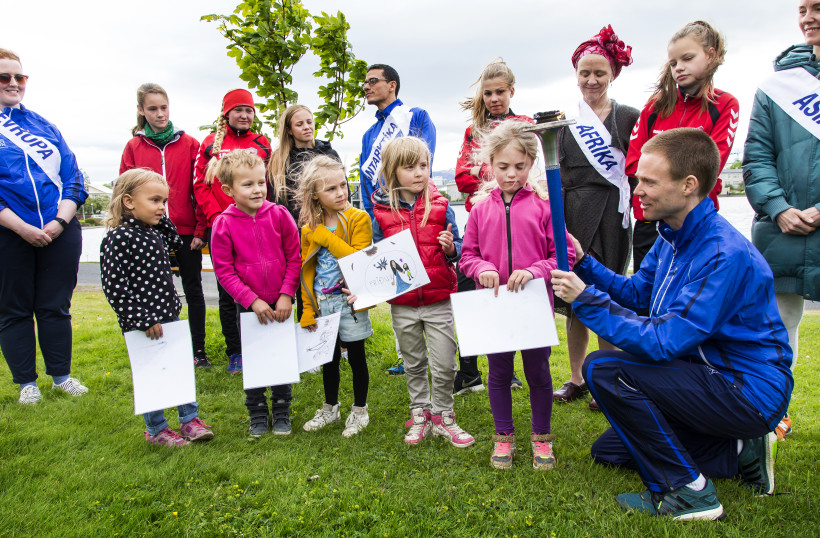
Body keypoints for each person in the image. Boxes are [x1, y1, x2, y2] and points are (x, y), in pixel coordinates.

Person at [552, 128, 793, 520]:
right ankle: (736, 450)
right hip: (705, 374)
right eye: (636, 179)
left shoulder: (722, 253)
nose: (637, 189)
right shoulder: (671, 237)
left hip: (746, 389)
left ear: (688, 185)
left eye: (648, 181)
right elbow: (636, 295)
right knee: (608, 451)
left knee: (606, 370)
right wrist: (584, 264)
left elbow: (664, 341)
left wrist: (584, 299)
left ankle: (690, 491)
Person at [460, 121, 574, 470]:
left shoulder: (544, 206)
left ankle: (542, 438)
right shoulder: (479, 210)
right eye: (504, 167)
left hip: (533, 304)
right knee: (498, 372)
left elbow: (563, 256)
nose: (511, 175)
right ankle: (503, 437)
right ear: (490, 165)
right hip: (495, 306)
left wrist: (536, 269)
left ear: (532, 165)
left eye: (520, 167)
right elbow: (467, 256)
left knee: (538, 371)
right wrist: (481, 269)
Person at [743, 0, 820, 441]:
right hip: (782, 226)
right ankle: (775, 413)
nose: (807, 17)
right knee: (778, 325)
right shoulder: (779, 86)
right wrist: (778, 206)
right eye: (802, 8)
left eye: (816, 8)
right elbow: (757, 155)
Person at [554, 26, 639, 411]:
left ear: (613, 75)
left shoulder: (630, 117)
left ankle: (609, 379)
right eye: (584, 73)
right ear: (576, 76)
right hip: (573, 216)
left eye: (599, 73)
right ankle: (576, 378)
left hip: (612, 215)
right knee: (575, 301)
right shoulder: (564, 123)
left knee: (608, 296)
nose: (591, 80)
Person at [371, 137, 474, 449]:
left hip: (438, 297)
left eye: (424, 166)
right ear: (391, 171)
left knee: (445, 363)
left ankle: (444, 414)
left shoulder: (442, 206)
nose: (419, 172)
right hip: (403, 304)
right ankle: (420, 414)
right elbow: (375, 259)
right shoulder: (379, 211)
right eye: (409, 167)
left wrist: (450, 247)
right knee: (414, 363)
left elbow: (458, 249)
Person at [100, 169, 214, 447]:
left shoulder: (154, 232)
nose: (162, 207)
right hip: (142, 323)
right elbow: (115, 286)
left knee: (178, 367)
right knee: (153, 373)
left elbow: (178, 244)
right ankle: (156, 429)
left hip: (169, 315)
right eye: (154, 200)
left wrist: (163, 221)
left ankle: (190, 419)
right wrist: (143, 318)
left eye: (164, 201)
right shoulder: (118, 238)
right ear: (128, 202)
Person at [0, 48, 89, 404]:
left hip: (60, 230)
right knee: (14, 309)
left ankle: (61, 376)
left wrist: (59, 221)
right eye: (4, 77)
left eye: (19, 77)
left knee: (55, 306)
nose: (13, 84)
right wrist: (21, 228)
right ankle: (27, 383)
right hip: (9, 233)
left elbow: (73, 177)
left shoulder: (43, 125)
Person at [625, 21, 739, 272]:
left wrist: (657, 170)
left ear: (711, 55)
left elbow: (710, 166)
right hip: (649, 222)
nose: (679, 67)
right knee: (645, 301)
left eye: (687, 58)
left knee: (691, 301)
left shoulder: (725, 105)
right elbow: (632, 162)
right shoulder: (654, 106)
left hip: (694, 224)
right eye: (673, 62)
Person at [209, 150, 300, 437]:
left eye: (261, 182)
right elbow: (224, 272)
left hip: (281, 302)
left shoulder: (280, 215)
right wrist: (252, 300)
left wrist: (287, 294)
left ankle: (283, 411)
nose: (258, 189)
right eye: (248, 184)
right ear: (228, 190)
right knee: (256, 360)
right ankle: (258, 413)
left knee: (281, 357)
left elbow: (295, 257)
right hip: (249, 307)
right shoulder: (222, 224)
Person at [453, 58, 531, 395]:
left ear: (511, 91)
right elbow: (459, 178)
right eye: (488, 93)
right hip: (480, 219)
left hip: (514, 220)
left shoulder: (524, 125)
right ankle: (468, 370)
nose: (494, 98)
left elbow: (526, 172)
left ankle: (508, 370)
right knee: (468, 288)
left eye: (500, 91)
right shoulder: (473, 131)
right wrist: (494, 173)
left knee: (506, 290)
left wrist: (483, 171)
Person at [120, 83, 211, 369]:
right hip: (147, 233)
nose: (160, 114)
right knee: (157, 291)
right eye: (152, 109)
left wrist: (200, 230)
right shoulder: (134, 147)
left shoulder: (189, 144)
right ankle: (163, 349)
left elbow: (200, 188)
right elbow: (125, 191)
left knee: (193, 290)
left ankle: (198, 351)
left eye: (164, 107)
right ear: (141, 111)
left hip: (185, 231)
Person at [360, 63, 436, 376]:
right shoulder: (368, 134)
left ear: (392, 85)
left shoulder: (416, 116)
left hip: (417, 211)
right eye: (364, 82)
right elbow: (365, 179)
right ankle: (408, 355)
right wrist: (371, 215)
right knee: (399, 282)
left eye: (372, 81)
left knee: (430, 282)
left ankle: (439, 351)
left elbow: (425, 158)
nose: (366, 87)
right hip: (385, 216)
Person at [193, 89, 272, 374]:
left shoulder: (262, 143)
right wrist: (216, 217)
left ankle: (263, 344)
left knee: (260, 286)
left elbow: (267, 184)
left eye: (249, 110)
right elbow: (200, 185)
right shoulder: (210, 144)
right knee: (228, 291)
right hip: (222, 228)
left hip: (257, 227)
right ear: (226, 113)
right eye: (238, 109)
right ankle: (235, 351)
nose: (244, 115)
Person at [297, 156, 374, 438]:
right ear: (314, 195)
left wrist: (325, 237)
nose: (341, 192)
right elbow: (306, 273)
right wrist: (307, 309)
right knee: (327, 358)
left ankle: (359, 409)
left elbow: (359, 260)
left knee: (356, 357)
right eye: (331, 189)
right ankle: (330, 407)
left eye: (343, 185)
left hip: (350, 303)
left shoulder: (358, 218)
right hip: (322, 304)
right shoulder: (309, 227)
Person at [268, 104, 341, 224]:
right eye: (299, 124)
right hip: (295, 229)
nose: (306, 127)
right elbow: (277, 202)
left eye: (309, 122)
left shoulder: (329, 154)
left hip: (330, 225)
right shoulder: (280, 159)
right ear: (289, 130)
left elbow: (342, 189)